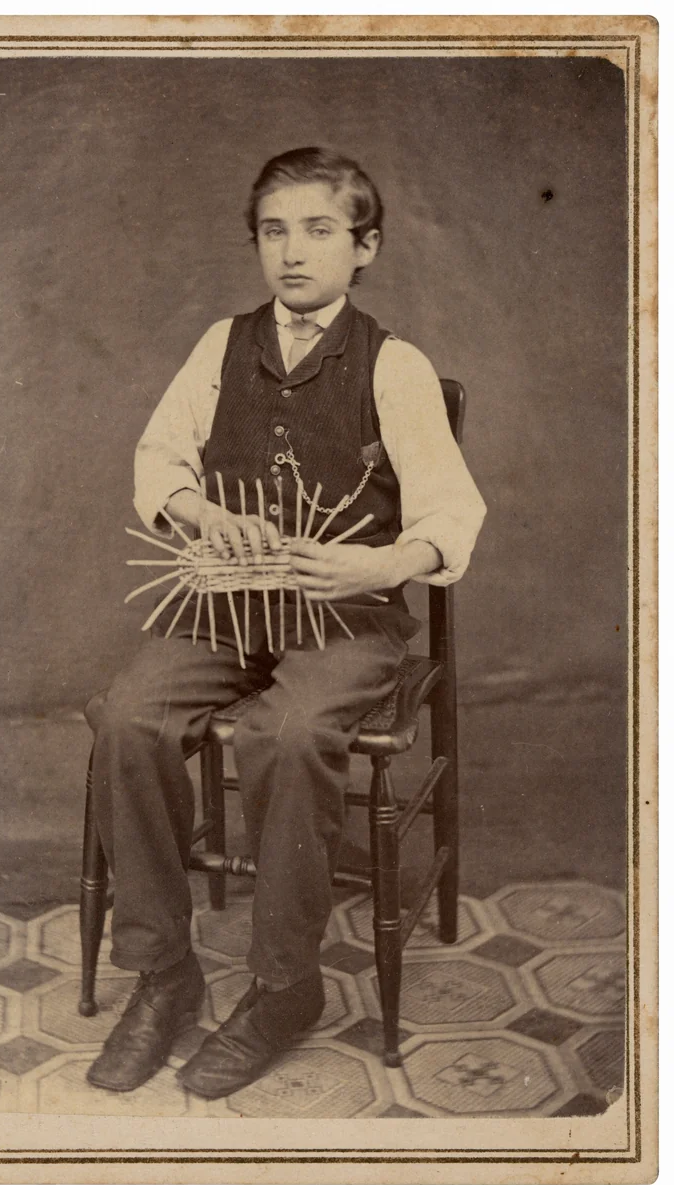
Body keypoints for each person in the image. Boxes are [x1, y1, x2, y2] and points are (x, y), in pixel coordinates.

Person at [86, 147, 486, 1100]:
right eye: (275, 231)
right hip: (226, 609)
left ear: (365, 247)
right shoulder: (219, 347)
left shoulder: (395, 365)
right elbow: (158, 464)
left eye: (318, 231)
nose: (293, 253)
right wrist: (200, 515)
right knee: (128, 716)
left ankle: (281, 987)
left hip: (347, 621)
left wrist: (380, 561)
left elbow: (450, 517)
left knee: (290, 732)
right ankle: (165, 973)